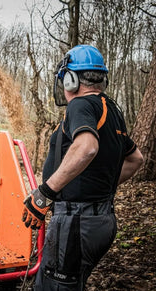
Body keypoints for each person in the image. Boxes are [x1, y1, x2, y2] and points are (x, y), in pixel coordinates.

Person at [21, 44, 144, 290]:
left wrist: (46, 193)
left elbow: (87, 147)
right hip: (101, 220)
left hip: (76, 222)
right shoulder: (111, 111)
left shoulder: (80, 105)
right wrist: (99, 185)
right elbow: (136, 159)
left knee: (53, 286)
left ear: (70, 80)